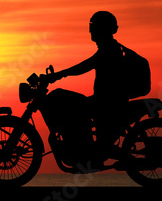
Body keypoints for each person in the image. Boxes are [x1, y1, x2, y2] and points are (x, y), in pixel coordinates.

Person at [47, 11, 129, 168]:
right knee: (64, 98)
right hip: (104, 99)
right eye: (90, 26)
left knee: (65, 100)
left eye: (94, 26)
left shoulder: (110, 50)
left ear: (103, 29)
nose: (91, 30)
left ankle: (87, 152)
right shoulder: (108, 48)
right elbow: (87, 65)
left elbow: (84, 66)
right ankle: (83, 150)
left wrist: (58, 75)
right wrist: (58, 75)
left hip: (107, 102)